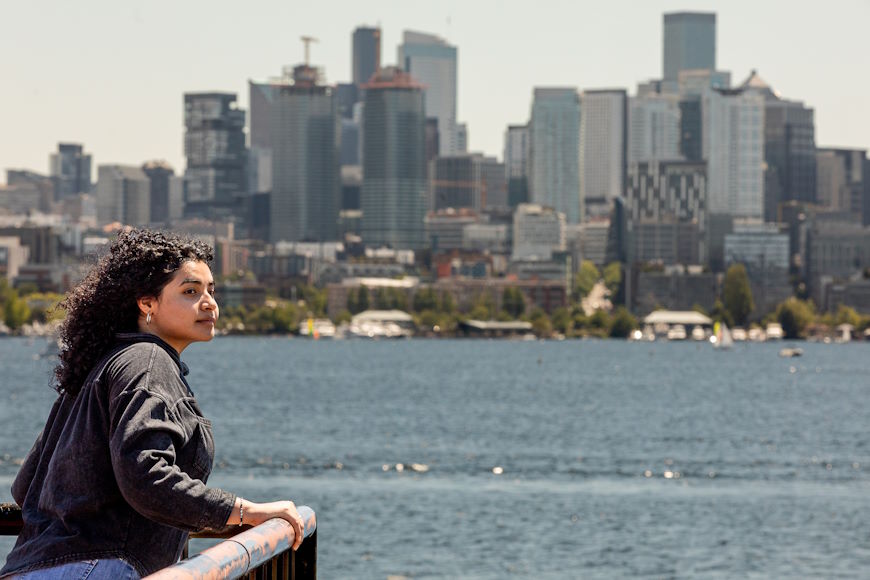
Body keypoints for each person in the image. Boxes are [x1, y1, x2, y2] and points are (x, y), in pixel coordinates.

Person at [1, 229, 305, 579]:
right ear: (147, 303)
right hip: (98, 570)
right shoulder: (148, 361)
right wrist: (243, 512)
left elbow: (26, 487)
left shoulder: (98, 368)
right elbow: (145, 475)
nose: (209, 303)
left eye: (211, 290)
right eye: (190, 291)